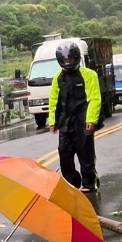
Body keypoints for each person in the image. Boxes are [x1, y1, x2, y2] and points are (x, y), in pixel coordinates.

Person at [47, 41, 102, 192]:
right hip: (66, 121)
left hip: (83, 120)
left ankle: (89, 183)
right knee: (64, 153)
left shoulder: (89, 75)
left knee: (85, 153)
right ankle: (73, 183)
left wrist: (91, 120)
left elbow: (95, 99)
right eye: (65, 60)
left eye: (70, 59)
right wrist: (53, 121)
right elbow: (53, 101)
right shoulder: (58, 78)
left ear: (76, 58)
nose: (68, 62)